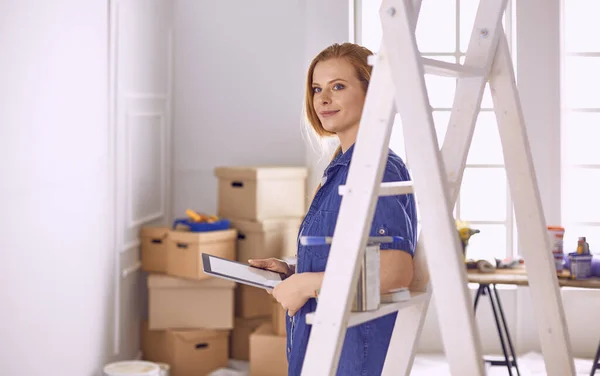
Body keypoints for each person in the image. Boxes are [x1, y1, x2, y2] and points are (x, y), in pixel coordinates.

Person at [248, 42, 418, 376]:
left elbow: (393, 273)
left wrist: (305, 285)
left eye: (338, 86)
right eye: (316, 89)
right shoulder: (341, 166)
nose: (323, 99)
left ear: (371, 93)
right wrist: (292, 271)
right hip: (323, 347)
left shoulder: (378, 168)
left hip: (352, 355)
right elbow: (347, 258)